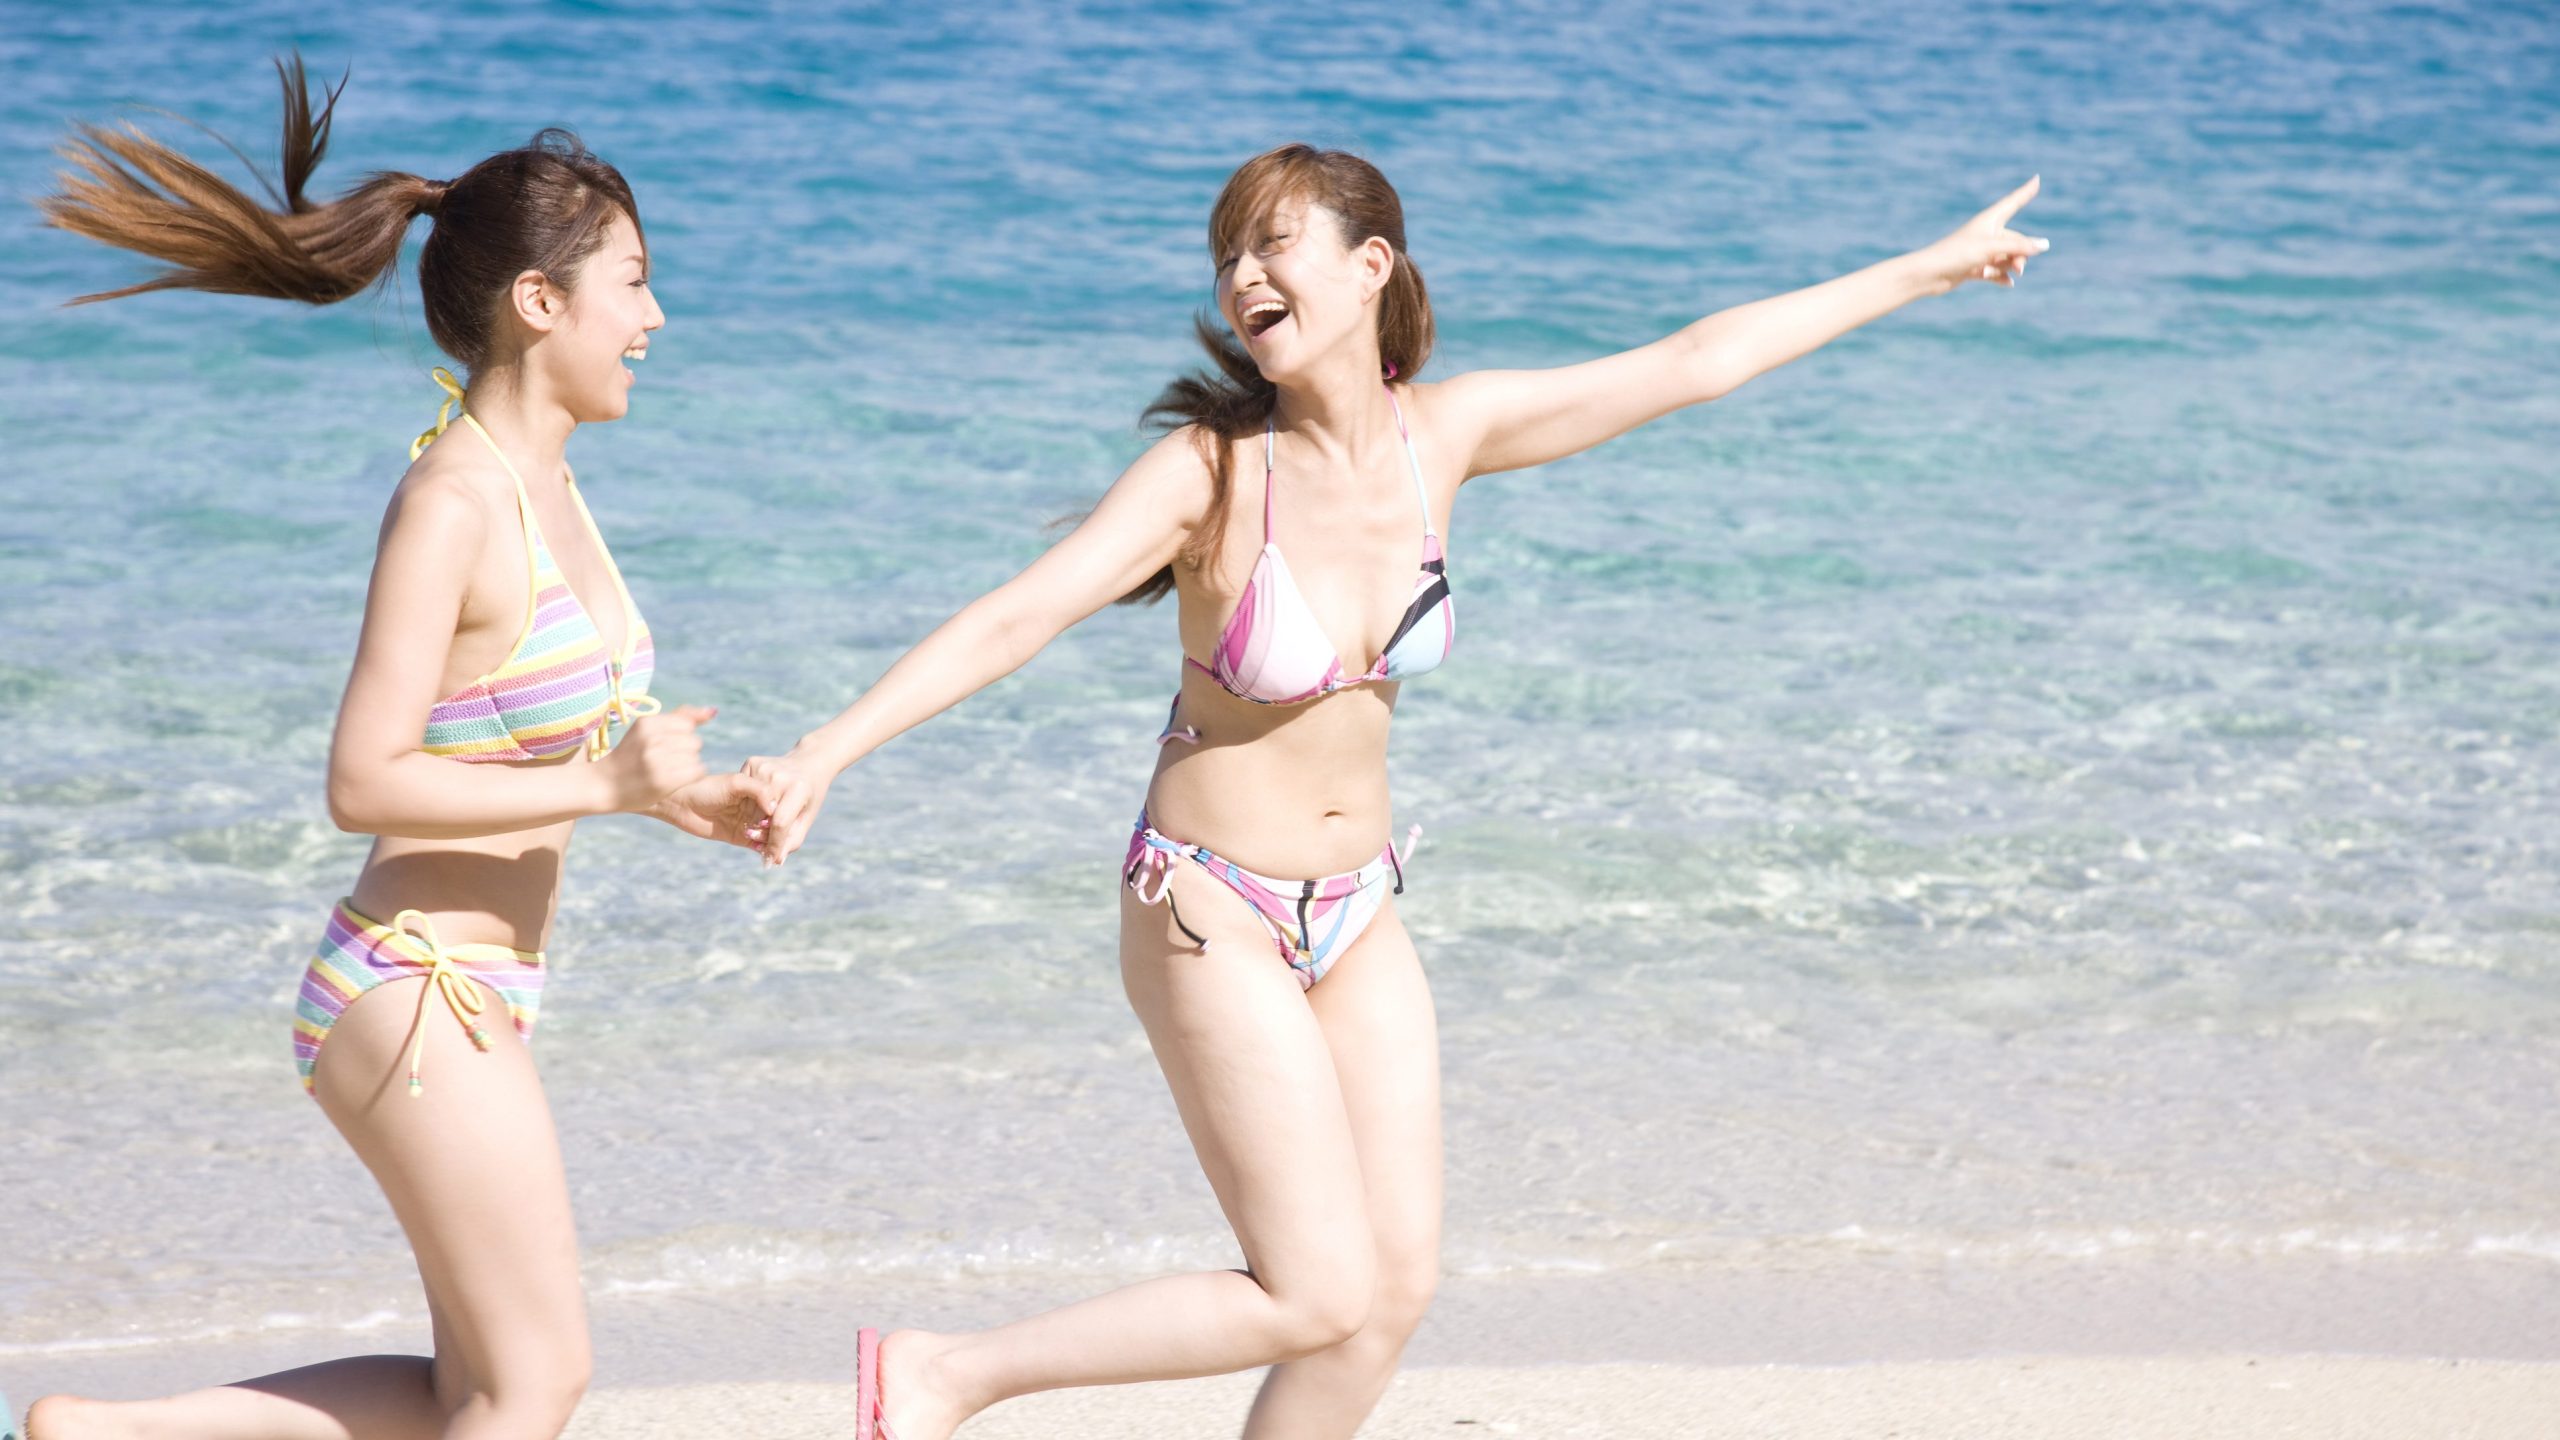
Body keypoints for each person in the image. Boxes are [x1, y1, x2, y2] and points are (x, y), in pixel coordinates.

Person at [743, 142, 2050, 1439]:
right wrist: (824, 753)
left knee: (1390, 1295)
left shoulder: (1447, 436)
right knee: (1313, 1290)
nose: (1243, 275)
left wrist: (1926, 270)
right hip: (1209, 909)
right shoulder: (1211, 472)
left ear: (1371, 266)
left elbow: (1695, 360)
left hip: (1360, 909)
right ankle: (944, 1375)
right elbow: (1014, 619)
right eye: (1228, 254)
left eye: (1273, 243)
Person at [24, 57, 772, 1440]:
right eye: (634, 282)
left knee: (465, 1398)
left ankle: (106, 1433)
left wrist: (670, 796)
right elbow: (360, 780)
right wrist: (610, 786)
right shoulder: (452, 501)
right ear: (539, 301)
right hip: (413, 985)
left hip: (478, 988)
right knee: (539, 1383)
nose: (655, 317)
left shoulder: (548, 487)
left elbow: (507, 741)